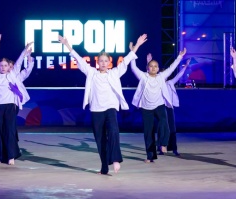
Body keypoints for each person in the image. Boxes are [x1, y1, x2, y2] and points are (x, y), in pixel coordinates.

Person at [58, 33, 147, 175]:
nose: (104, 63)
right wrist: (66, 44)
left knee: (113, 132)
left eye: (106, 61)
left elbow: (127, 60)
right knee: (100, 140)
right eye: (101, 61)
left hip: (110, 108)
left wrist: (138, 45)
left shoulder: (114, 73)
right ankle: (104, 167)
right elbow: (79, 59)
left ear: (109, 62)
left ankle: (116, 159)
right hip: (96, 110)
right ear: (97, 62)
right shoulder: (91, 73)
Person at [131, 48, 186, 163]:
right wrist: (133, 53)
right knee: (148, 132)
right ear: (147, 68)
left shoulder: (161, 76)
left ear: (158, 68)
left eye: (155, 66)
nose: (153, 68)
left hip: (159, 105)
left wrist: (179, 57)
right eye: (151, 66)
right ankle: (150, 156)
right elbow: (133, 67)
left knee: (164, 122)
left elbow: (172, 67)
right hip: (146, 108)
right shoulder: (143, 76)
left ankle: (163, 144)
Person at [0, 34, 32, 165]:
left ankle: (11, 155)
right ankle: (2, 155)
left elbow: (19, 64)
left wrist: (25, 51)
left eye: (5, 65)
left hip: (11, 106)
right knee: (0, 131)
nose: (3, 67)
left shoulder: (13, 75)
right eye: (1, 65)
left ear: (9, 67)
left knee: (9, 130)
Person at [147, 53, 191, 156]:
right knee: (161, 128)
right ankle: (161, 147)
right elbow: (148, 76)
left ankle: (174, 148)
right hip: (160, 108)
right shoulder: (156, 82)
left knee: (172, 128)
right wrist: (149, 62)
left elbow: (179, 75)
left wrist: (185, 66)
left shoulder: (170, 83)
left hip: (169, 108)